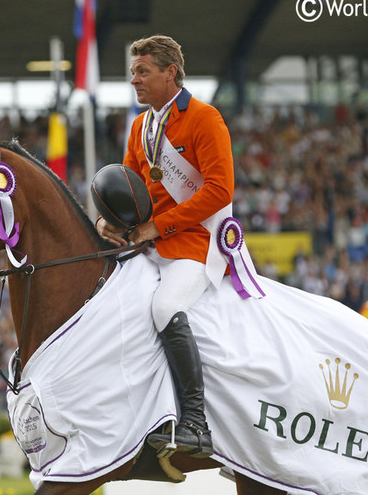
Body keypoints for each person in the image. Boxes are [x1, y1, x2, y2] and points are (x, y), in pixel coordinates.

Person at [96, 35, 234, 458]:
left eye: (143, 72)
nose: (134, 80)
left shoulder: (204, 118)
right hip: (150, 244)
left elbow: (219, 189)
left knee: (162, 308)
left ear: (170, 72)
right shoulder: (140, 126)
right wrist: (108, 220)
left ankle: (196, 422)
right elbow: (131, 192)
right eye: (132, 72)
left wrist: (158, 227)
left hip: (196, 243)